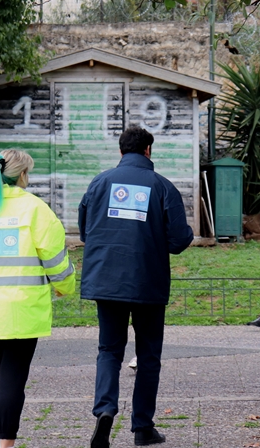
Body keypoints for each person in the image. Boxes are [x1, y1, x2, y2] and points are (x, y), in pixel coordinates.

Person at [78, 127, 194, 448]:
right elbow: (178, 240)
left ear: (121, 151)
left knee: (109, 350)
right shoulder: (162, 186)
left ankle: (105, 409)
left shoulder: (99, 183)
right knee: (148, 355)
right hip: (148, 283)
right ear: (148, 151)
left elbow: (86, 231)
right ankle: (142, 427)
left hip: (107, 282)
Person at [0, 149, 76, 448]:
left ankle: (3, 437)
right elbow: (54, 256)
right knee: (13, 373)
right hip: (22, 306)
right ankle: (5, 441)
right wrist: (65, 285)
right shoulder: (35, 209)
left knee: (5, 369)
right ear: (22, 175)